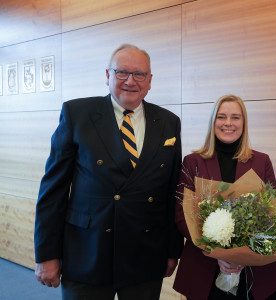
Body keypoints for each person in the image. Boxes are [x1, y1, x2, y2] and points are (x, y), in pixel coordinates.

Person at [34, 43, 183, 300]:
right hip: (87, 252)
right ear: (107, 76)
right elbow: (53, 190)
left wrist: (172, 250)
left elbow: (171, 192)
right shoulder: (77, 114)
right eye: (122, 72)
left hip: (145, 254)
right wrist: (47, 254)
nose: (130, 81)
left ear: (149, 81)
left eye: (139, 74)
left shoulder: (169, 122)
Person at [173, 94, 276, 300]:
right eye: (221, 117)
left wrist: (242, 254)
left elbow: (272, 213)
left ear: (244, 123)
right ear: (213, 122)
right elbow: (182, 213)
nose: (228, 123)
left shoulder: (262, 161)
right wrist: (218, 253)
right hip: (205, 268)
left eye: (235, 117)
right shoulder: (192, 162)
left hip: (255, 272)